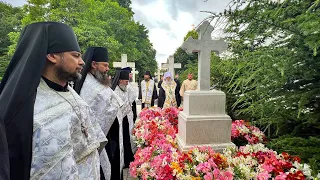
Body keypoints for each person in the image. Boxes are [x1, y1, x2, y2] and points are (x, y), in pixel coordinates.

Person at [0, 22, 106, 180]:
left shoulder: (71, 93)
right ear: (52, 56)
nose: (82, 62)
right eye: (75, 55)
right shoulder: (28, 108)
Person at [74, 47, 124, 180]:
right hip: (101, 141)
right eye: (105, 65)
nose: (108, 69)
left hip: (108, 136)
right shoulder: (90, 86)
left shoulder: (95, 81)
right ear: (94, 64)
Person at [109, 70, 136, 179]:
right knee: (123, 139)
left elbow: (132, 99)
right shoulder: (115, 91)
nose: (127, 83)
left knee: (128, 138)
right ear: (119, 81)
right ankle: (123, 160)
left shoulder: (126, 88)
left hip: (127, 119)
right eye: (125, 81)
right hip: (119, 120)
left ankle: (129, 157)